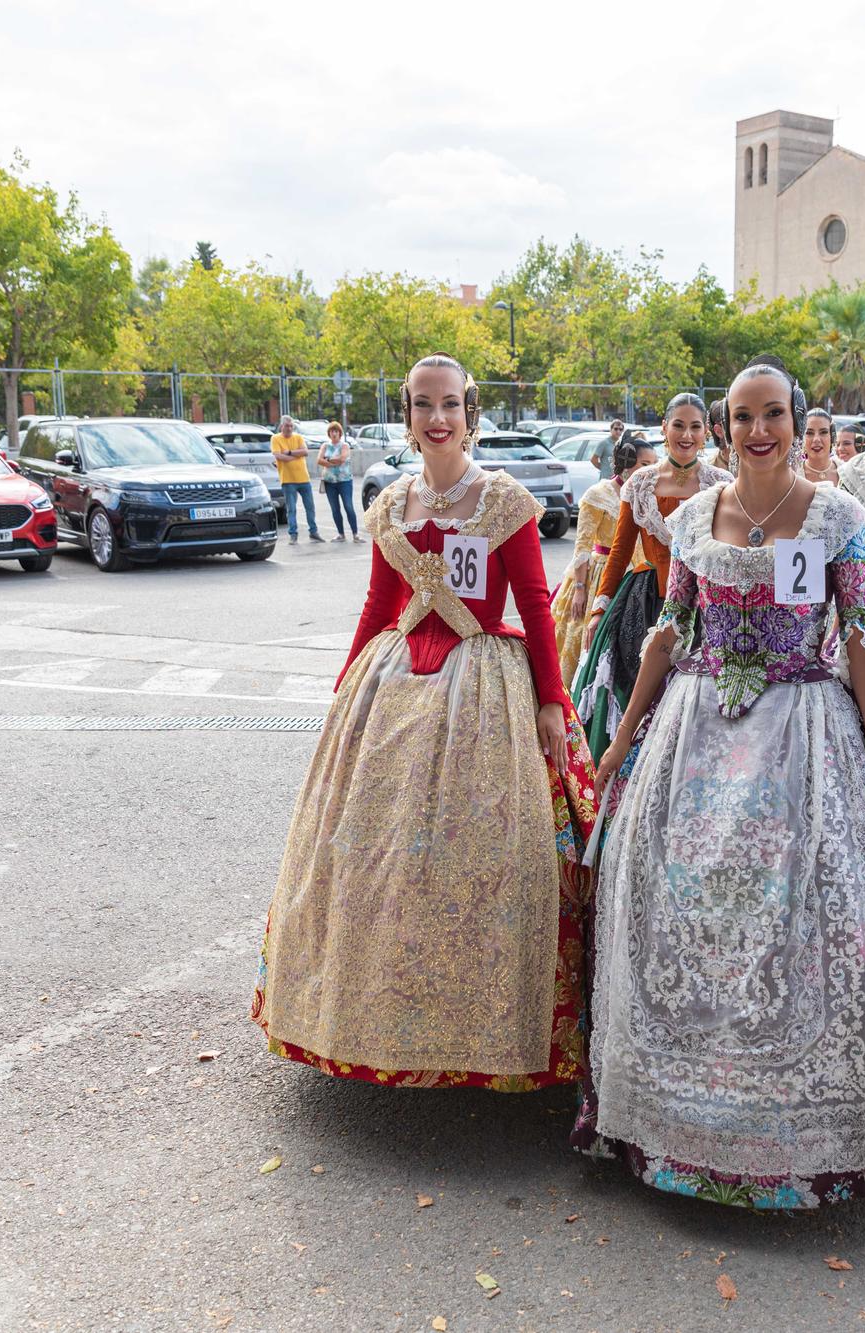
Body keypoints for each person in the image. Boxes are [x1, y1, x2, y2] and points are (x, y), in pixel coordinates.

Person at [571, 359, 865, 1208]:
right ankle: (672, 1117)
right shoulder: (695, 513)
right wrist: (624, 739)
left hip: (810, 730)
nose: (760, 430)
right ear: (727, 427)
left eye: (774, 413)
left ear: (795, 418)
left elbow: (858, 637)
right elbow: (670, 629)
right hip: (696, 730)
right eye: (744, 417)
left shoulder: (839, 514)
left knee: (837, 898)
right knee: (671, 904)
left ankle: (822, 1131)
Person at [252, 353, 598, 1092]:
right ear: (406, 414)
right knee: (372, 857)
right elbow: (379, 606)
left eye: (449, 404)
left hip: (483, 689)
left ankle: (484, 1034)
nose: (437, 418)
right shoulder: (392, 504)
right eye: (422, 405)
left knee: (483, 855)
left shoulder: (502, 500)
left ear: (470, 410)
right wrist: (346, 686)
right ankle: (373, 1021)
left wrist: (550, 699)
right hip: (392, 686)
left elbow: (535, 605)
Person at [573, 393, 731, 760]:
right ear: (664, 429)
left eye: (695, 427)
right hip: (644, 605)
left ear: (707, 433)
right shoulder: (640, 483)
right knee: (639, 698)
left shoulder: (721, 484)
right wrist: (599, 608)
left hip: (706, 609)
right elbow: (619, 551)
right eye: (679, 425)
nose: (686, 435)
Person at [552, 438, 655, 686]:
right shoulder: (597, 494)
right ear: (627, 465)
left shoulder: (648, 494)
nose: (651, 470)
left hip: (636, 576)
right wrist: (579, 589)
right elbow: (582, 547)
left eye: (654, 464)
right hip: (600, 574)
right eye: (645, 464)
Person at [271, 415, 322, 544]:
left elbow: (305, 452)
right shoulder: (275, 438)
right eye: (287, 426)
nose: (289, 428)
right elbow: (278, 455)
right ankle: (293, 534)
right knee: (291, 509)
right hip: (287, 480)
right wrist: (295, 455)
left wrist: (288, 452)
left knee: (310, 507)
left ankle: (313, 532)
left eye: (291, 426)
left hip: (303, 478)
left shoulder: (298, 437)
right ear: (281, 426)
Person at [317, 420, 362, 542]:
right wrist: (332, 462)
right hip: (329, 482)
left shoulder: (344, 445)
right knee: (335, 508)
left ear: (340, 433)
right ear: (329, 433)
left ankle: (355, 534)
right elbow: (319, 460)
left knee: (348, 506)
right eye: (332, 431)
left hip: (344, 481)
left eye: (336, 431)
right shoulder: (325, 446)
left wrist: (328, 460)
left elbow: (342, 459)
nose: (334, 433)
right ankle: (341, 534)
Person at [800, 406, 840, 485]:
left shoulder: (846, 473)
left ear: (832, 436)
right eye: (809, 433)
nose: (816, 439)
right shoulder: (792, 476)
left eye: (823, 432)